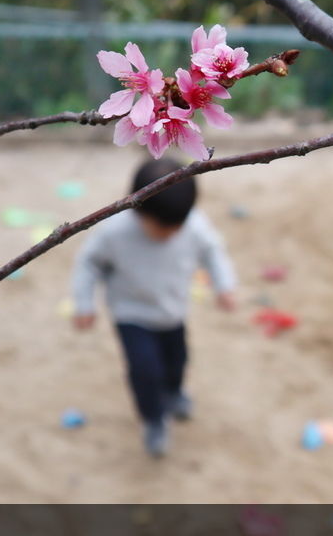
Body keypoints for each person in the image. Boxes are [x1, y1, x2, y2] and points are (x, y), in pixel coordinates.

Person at [72, 157, 236, 457]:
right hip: (131, 314)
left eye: (177, 227)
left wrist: (223, 285)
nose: (169, 235)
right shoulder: (114, 232)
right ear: (137, 207)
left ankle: (174, 393)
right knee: (145, 371)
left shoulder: (193, 225)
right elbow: (89, 264)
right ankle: (153, 420)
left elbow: (213, 252)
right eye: (161, 227)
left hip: (173, 312)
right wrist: (84, 303)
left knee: (178, 362)